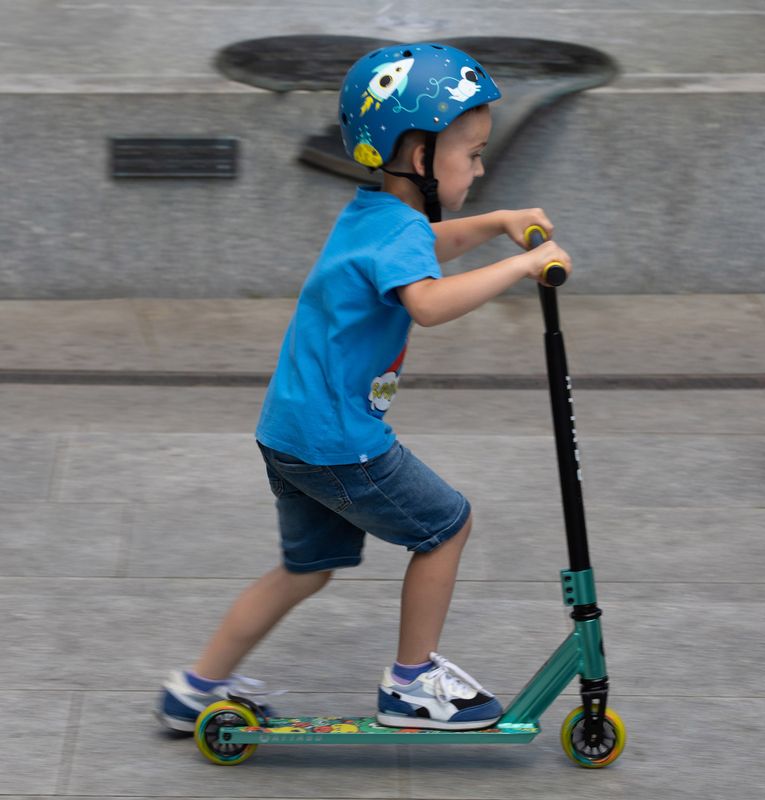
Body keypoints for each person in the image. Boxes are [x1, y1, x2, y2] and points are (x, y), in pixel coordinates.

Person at [157, 41, 571, 733]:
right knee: (446, 525)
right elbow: (429, 303)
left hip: (291, 431)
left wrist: (499, 224)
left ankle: (194, 689)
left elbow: (426, 246)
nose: (479, 166)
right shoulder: (399, 234)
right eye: (470, 154)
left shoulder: (374, 214)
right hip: (339, 441)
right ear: (419, 160)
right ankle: (412, 684)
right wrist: (524, 265)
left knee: (304, 568)